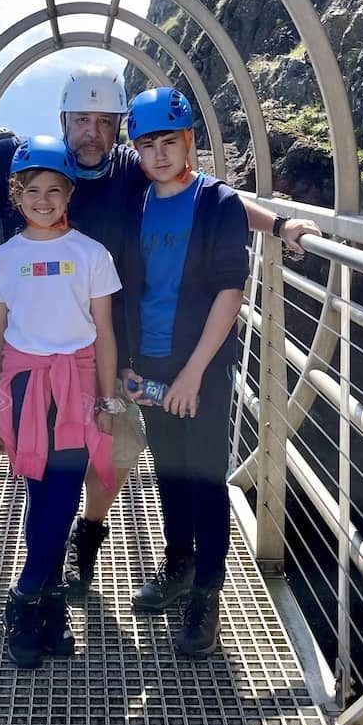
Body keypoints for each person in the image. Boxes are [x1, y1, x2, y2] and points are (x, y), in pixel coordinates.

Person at [0, 65, 321, 599]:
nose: (93, 132)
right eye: (82, 120)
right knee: (49, 459)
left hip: (119, 344)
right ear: (63, 121)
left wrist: (280, 226)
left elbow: (211, 198)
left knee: (117, 454)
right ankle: (45, 567)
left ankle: (87, 538)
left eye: (105, 121)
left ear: (120, 128)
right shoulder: (41, 170)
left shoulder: (132, 169)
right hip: (51, 345)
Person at [0, 136, 122, 668]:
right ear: (16, 195)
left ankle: (23, 596)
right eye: (32, 190)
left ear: (70, 194)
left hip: (77, 385)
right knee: (40, 495)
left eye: (55, 190)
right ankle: (51, 607)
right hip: (24, 387)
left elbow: (104, 332)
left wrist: (108, 399)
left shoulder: (91, 254)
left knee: (62, 494)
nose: (43, 200)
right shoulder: (2, 259)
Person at [122, 87, 249, 658]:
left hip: (201, 365)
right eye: (147, 143)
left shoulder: (217, 202)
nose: (159, 153)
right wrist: (127, 364)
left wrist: (194, 372)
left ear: (189, 141)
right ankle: (179, 565)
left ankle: (207, 592)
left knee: (205, 475)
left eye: (168, 141)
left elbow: (230, 290)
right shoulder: (137, 204)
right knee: (169, 469)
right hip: (150, 361)